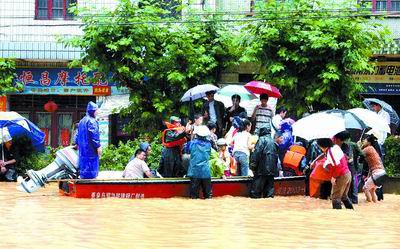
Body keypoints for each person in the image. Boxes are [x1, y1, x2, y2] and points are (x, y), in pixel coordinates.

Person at [317, 138, 353, 209]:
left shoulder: (330, 152)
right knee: (344, 196)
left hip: (341, 175)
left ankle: (338, 216)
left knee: (335, 197)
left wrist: (334, 177)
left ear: (323, 146)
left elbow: (337, 166)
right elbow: (344, 158)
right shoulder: (335, 147)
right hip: (347, 173)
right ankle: (351, 212)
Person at [250, 127, 284, 198]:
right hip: (272, 171)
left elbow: (257, 153)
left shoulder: (261, 140)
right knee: (269, 194)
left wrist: (253, 166)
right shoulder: (273, 141)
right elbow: (276, 158)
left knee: (255, 193)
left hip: (261, 170)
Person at [333, 131, 363, 204]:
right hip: (355, 169)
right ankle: (354, 201)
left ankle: (348, 200)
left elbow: (346, 157)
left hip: (346, 169)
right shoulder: (354, 144)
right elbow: (362, 154)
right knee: (355, 184)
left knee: (347, 184)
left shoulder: (342, 146)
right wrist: (358, 162)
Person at [76, 101, 102, 179]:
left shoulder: (81, 121)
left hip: (83, 150)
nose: (97, 112)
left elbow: (77, 135)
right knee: (91, 169)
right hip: (91, 150)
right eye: (96, 110)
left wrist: (76, 143)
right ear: (93, 111)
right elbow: (94, 135)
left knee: (84, 168)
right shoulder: (92, 121)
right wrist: (98, 146)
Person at [187, 125, 212, 199]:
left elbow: (187, 151)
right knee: (208, 196)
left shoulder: (191, 143)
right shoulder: (209, 145)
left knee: (194, 197)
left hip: (195, 173)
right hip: (206, 172)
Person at [361, 134, 387, 203]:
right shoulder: (372, 149)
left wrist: (358, 145)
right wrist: (368, 176)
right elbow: (371, 167)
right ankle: (374, 203)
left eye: (365, 140)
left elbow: (358, 154)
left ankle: (369, 204)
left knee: (365, 188)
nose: (363, 141)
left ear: (369, 142)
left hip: (377, 173)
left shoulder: (368, 148)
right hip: (382, 173)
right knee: (372, 190)